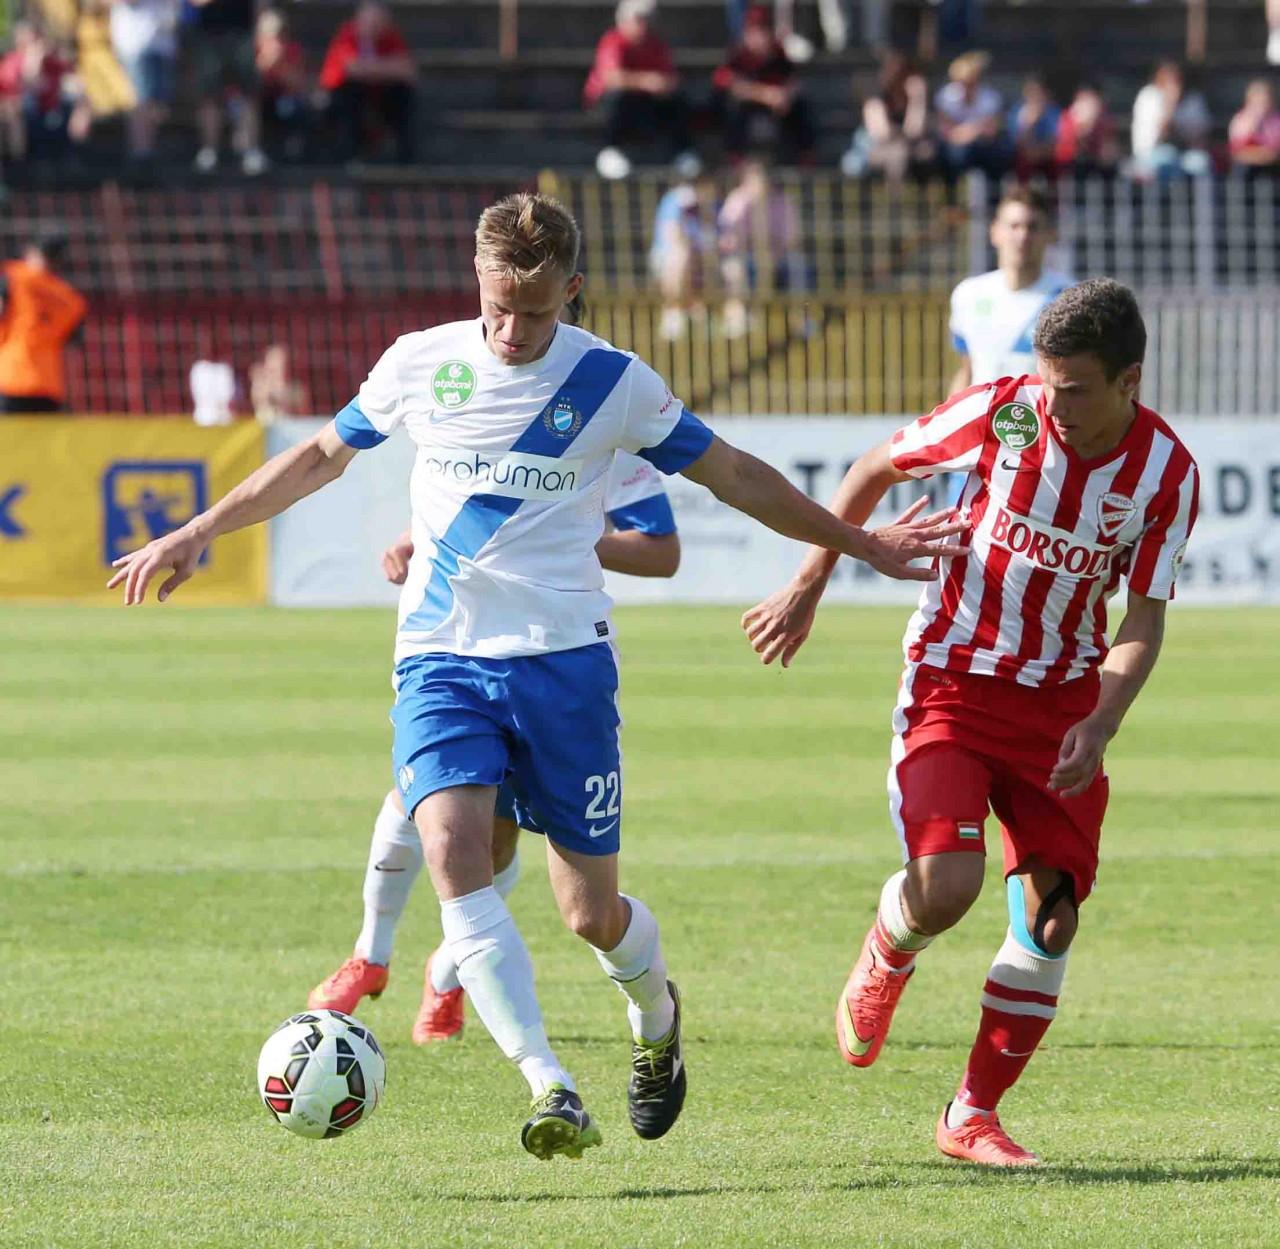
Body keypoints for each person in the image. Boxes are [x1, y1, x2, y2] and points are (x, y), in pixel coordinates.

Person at [108, 191, 961, 1161]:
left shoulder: (612, 382)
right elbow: (315, 456)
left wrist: (857, 542)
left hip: (563, 665)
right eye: (499, 306)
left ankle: (656, 1022)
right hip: (441, 654)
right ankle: (548, 1081)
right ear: (476, 280)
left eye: (536, 311)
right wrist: (198, 531)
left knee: (590, 914)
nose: (513, 331)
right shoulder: (420, 361)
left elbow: (732, 475)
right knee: (451, 848)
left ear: (574, 290)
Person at [743, 277, 1199, 1167]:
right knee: (947, 885)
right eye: (1048, 383)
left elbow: (1143, 617)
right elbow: (873, 469)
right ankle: (891, 942)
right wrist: (808, 583)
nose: (1054, 405)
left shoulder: (1166, 475)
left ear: (1130, 380)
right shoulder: (1007, 412)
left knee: (1054, 919)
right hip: (952, 678)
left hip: (1061, 702)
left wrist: (1104, 718)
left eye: (1076, 390)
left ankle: (970, 1115)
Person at [308, 449, 682, 1044]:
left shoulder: (611, 427)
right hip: (455, 645)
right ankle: (369, 955)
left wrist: (559, 534)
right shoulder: (486, 415)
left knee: (501, 843)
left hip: (551, 658)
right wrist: (417, 535)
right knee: (424, 798)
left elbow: (662, 551)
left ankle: (448, 972)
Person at [948, 186, 1072, 397]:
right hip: (983, 417)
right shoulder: (968, 294)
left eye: (1033, 227)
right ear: (995, 232)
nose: (1023, 236)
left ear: (1051, 234)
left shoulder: (1068, 299)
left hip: (1042, 417)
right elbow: (967, 370)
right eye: (1014, 226)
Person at [584, 0, 697, 181]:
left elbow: (670, 77)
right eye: (639, 19)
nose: (644, 25)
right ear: (623, 20)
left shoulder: (655, 44)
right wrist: (646, 81)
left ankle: (682, 154)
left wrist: (664, 85)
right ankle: (609, 152)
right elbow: (611, 78)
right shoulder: (613, 41)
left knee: (678, 100)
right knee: (617, 97)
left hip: (645, 105)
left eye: (648, 19)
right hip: (612, 107)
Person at [713, 4, 816, 165]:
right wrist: (766, 95)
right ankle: (735, 157)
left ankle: (806, 156)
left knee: (801, 106)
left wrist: (785, 95)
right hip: (751, 106)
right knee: (734, 107)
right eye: (753, 32)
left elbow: (794, 80)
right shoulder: (738, 55)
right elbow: (732, 85)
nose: (759, 37)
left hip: (776, 106)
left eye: (762, 31)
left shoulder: (778, 52)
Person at [318, 1, 416, 165]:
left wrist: (370, 69)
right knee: (351, 94)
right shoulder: (347, 35)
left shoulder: (390, 36)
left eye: (378, 22)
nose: (373, 27)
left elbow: (408, 70)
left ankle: (404, 157)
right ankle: (349, 155)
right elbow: (352, 69)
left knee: (402, 93)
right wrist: (388, 67)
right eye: (369, 22)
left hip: (378, 93)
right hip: (340, 97)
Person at [0, 232, 87, 414]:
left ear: (31, 251)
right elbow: (75, 340)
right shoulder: (71, 300)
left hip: (11, 375)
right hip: (49, 383)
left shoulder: (14, 279)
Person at [717, 157, 803, 337]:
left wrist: (772, 251)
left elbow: (792, 238)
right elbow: (728, 238)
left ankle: (799, 320)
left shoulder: (784, 201)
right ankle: (736, 319)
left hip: (778, 255)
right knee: (735, 268)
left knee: (797, 266)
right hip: (743, 256)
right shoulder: (737, 200)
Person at [187, 0, 268, 175]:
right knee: (209, 97)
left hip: (243, 32)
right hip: (209, 34)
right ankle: (209, 151)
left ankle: (251, 150)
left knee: (249, 95)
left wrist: (260, 30)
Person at [842, 48, 933, 181]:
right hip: (871, 148)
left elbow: (914, 131)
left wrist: (917, 100)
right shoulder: (875, 93)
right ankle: (894, 195)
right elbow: (883, 133)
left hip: (903, 145)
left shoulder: (912, 96)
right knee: (898, 155)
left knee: (926, 152)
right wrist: (903, 134)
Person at [649, 176, 717, 340]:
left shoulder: (707, 206)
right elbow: (671, 235)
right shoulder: (676, 200)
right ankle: (675, 311)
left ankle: (695, 310)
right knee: (680, 258)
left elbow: (711, 239)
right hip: (671, 258)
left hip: (698, 259)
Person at [109, 0, 178, 161]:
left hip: (162, 43)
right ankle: (141, 155)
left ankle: (150, 152)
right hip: (135, 43)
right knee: (140, 102)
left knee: (159, 106)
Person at [1130, 61, 1211, 181]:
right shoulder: (1148, 97)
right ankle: (1169, 194)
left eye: (1176, 81)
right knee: (1168, 158)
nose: (1173, 86)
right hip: (1150, 153)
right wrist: (1170, 104)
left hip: (1185, 153)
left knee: (1201, 162)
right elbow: (1160, 132)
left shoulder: (1192, 99)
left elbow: (1199, 136)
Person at [934, 51, 1005, 179]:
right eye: (962, 81)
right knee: (953, 155)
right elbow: (946, 131)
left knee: (996, 154)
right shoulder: (945, 96)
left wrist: (965, 132)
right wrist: (975, 128)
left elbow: (991, 131)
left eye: (970, 81)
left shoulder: (990, 97)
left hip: (983, 144)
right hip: (953, 145)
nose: (966, 85)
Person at [255, 8, 310, 161]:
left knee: (293, 107)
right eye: (267, 35)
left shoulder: (292, 49)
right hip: (258, 100)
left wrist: (280, 66)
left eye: (278, 35)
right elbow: (248, 85)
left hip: (285, 99)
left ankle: (293, 149)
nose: (274, 40)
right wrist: (265, 63)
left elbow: (298, 85)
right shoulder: (251, 49)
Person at [1054, 83, 1118, 178]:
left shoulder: (1104, 118)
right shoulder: (1067, 117)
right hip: (1070, 165)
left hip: (1095, 164)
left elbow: (1108, 147)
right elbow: (1068, 146)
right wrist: (1086, 125)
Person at [1007, 75, 1059, 182]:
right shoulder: (1016, 111)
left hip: (1046, 155)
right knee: (1020, 163)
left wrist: (1038, 153)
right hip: (1025, 155)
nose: (1034, 96)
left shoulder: (1052, 111)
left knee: (1056, 163)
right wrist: (1029, 123)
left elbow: (1054, 140)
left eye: (1037, 92)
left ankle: (1053, 192)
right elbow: (1017, 141)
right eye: (1030, 92)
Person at [1228, 79, 1280, 174]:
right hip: (1248, 167)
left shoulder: (1277, 120)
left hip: (1273, 165)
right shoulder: (1241, 120)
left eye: (1265, 100)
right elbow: (1237, 151)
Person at [249, 342, 308, 423]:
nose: (273, 364)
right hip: (265, 426)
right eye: (270, 359)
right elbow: (259, 398)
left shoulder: (295, 386)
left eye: (277, 359)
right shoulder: (260, 383)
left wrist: (278, 394)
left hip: (289, 426)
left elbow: (298, 400)